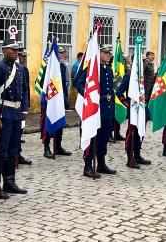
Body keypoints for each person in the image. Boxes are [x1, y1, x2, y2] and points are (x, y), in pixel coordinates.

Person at [0, 28, 29, 195]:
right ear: (4, 51)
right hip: (4, 113)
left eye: (17, 49)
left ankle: (10, 181)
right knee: (1, 150)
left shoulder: (21, 69)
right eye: (13, 49)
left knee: (13, 149)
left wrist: (24, 110)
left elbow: (25, 91)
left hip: (16, 114)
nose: (16, 52)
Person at [74, 44, 116, 178]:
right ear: (99, 54)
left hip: (107, 108)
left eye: (109, 53)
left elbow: (110, 90)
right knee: (93, 137)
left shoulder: (108, 70)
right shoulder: (92, 69)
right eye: (106, 53)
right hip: (95, 108)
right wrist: (89, 97)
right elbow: (78, 82)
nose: (108, 55)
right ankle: (87, 166)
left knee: (104, 138)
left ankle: (101, 164)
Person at [117, 57, 151, 169]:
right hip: (133, 110)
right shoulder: (129, 76)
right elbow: (119, 92)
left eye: (146, 61)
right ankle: (130, 158)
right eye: (143, 61)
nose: (146, 63)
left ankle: (137, 155)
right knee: (132, 134)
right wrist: (127, 104)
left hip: (142, 108)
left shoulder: (144, 76)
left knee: (140, 132)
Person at [43, 47, 72, 159]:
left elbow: (64, 85)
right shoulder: (48, 67)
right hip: (50, 100)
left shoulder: (62, 67)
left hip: (60, 100)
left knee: (60, 124)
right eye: (58, 52)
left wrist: (65, 99)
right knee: (49, 123)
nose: (61, 54)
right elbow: (42, 83)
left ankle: (58, 146)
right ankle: (46, 147)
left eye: (62, 52)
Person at [16, 49, 33, 166]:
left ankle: (18, 153)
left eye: (25, 57)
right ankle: (14, 154)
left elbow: (26, 89)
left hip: (22, 106)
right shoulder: (14, 68)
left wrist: (26, 106)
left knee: (20, 131)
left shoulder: (24, 69)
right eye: (22, 56)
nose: (24, 58)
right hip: (13, 106)